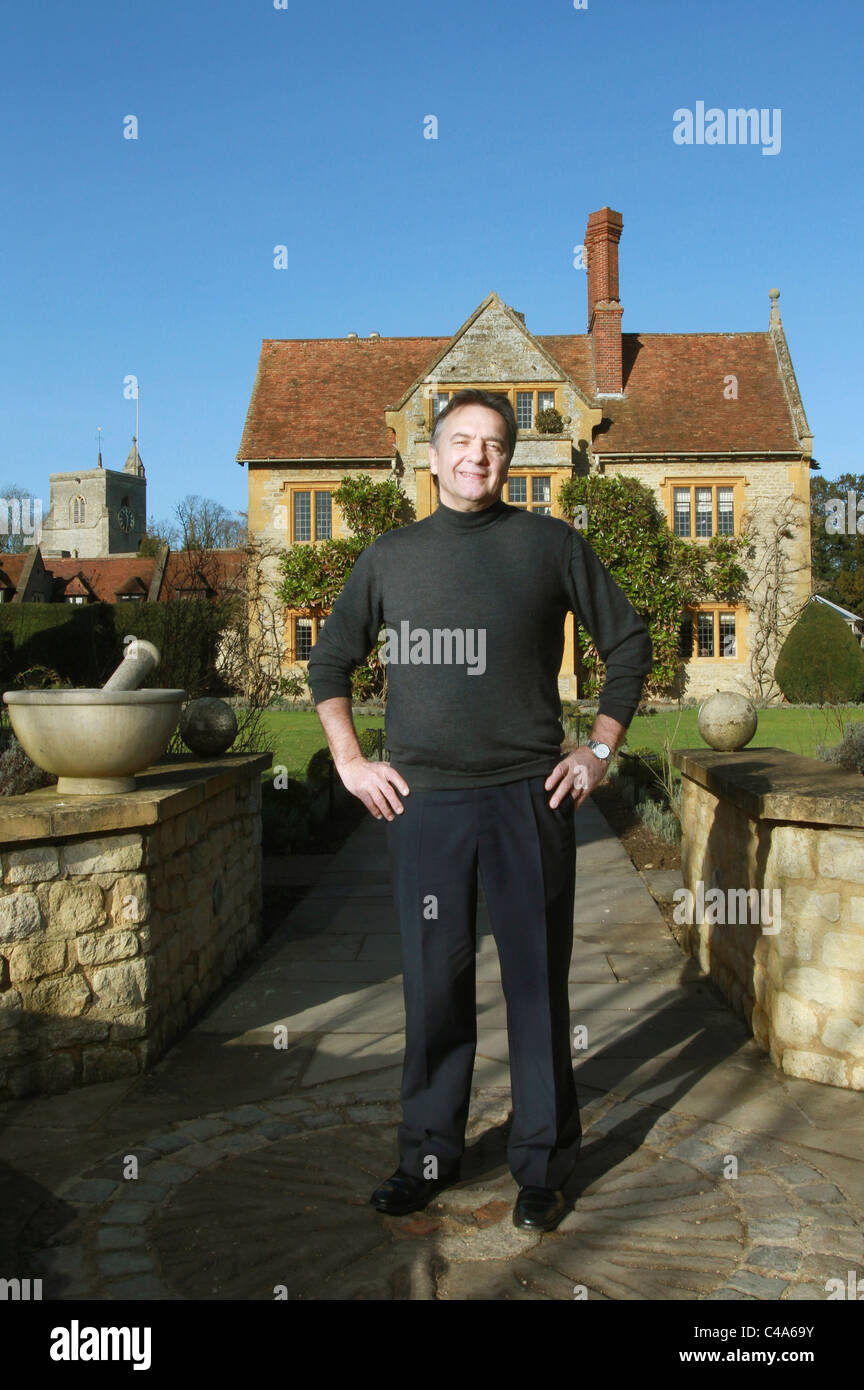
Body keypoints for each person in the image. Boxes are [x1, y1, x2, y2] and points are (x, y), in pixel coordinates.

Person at [307, 388, 653, 1231]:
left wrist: (598, 750)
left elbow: (629, 644)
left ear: (511, 458)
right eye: (461, 441)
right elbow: (329, 665)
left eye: (494, 444)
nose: (477, 456)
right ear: (430, 455)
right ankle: (427, 1157)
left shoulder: (551, 546)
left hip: (528, 800)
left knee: (536, 991)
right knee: (435, 990)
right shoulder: (389, 558)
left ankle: (542, 1167)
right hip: (423, 807)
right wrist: (351, 761)